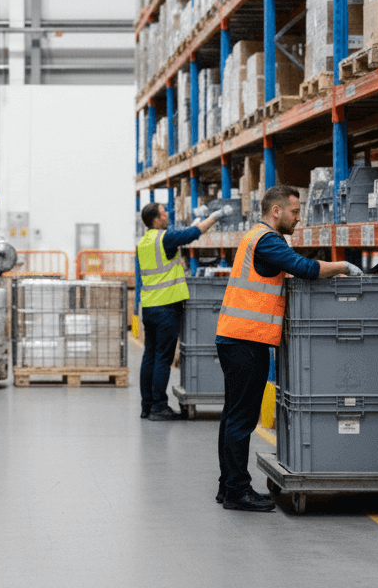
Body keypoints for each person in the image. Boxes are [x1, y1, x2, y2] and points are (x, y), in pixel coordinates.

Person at [214, 184, 363, 512]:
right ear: (276, 211)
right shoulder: (267, 240)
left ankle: (228, 486)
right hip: (246, 339)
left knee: (233, 416)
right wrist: (342, 266)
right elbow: (304, 268)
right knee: (241, 419)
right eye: (295, 212)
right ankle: (237, 490)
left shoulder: (256, 236)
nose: (299, 218)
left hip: (236, 337)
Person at [136, 200, 232, 421]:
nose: (167, 215)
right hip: (166, 306)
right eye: (163, 213)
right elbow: (192, 233)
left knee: (149, 356)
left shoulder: (144, 242)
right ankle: (159, 407)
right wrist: (215, 217)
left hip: (149, 306)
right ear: (155, 219)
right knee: (163, 357)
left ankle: (147, 405)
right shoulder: (165, 238)